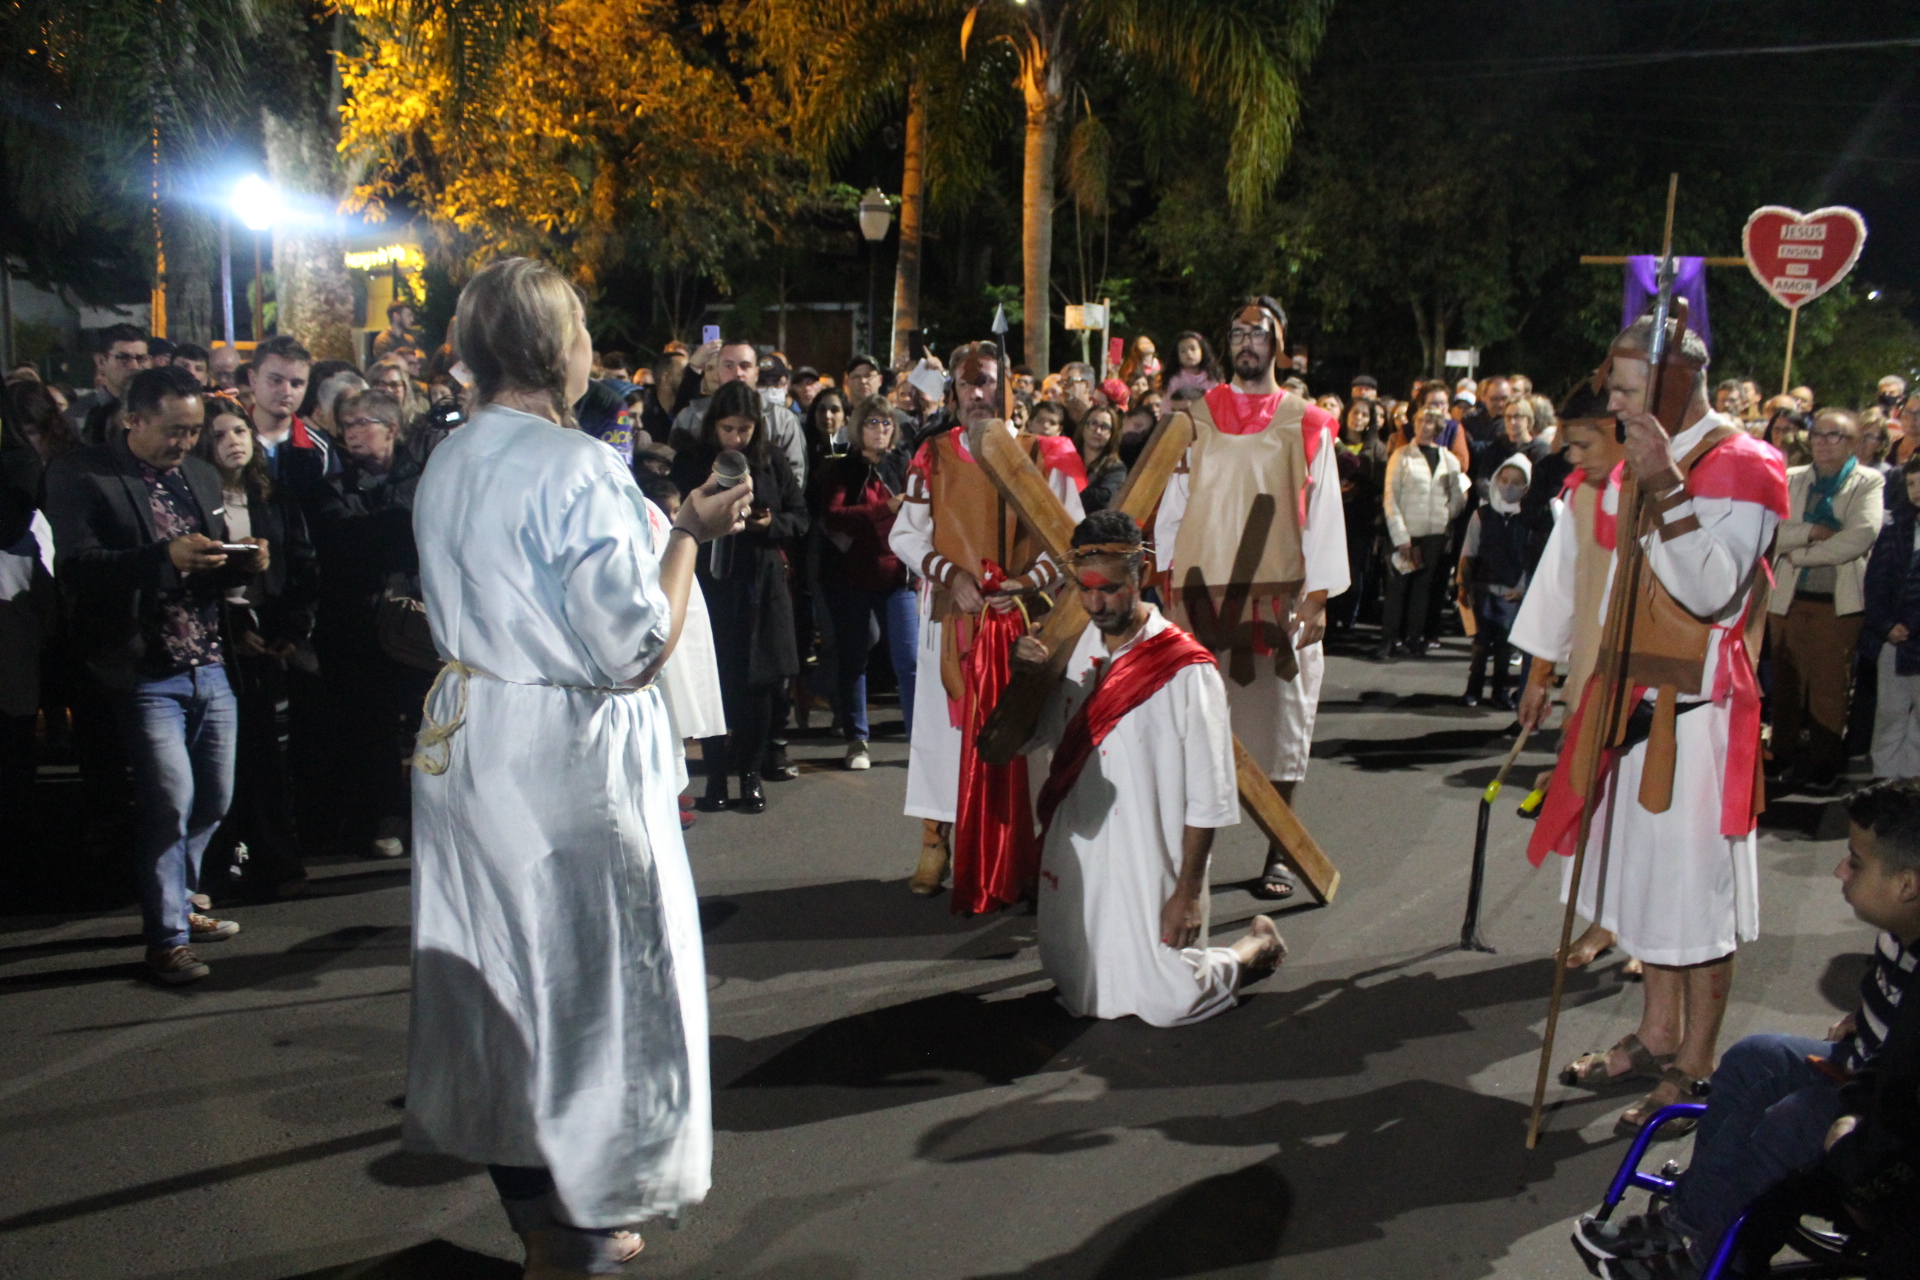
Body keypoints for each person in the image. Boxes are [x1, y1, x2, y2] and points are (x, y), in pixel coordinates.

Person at [406, 258, 753, 1276]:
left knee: (500, 978)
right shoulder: (578, 467)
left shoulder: (451, 456)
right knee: (589, 982)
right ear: (559, 349)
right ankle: (579, 1225)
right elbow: (636, 647)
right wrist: (687, 532)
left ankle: (542, 1219)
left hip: (471, 737)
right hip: (565, 752)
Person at [1516, 314, 1788, 1134]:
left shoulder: (1746, 465)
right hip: (1624, 708)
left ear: (1676, 387)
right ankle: (1658, 1028)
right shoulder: (1630, 457)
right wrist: (1548, 666)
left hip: (1696, 723)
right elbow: (1587, 568)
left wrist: (1665, 479)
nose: (1616, 405)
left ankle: (1696, 1061)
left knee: (1694, 905)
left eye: (1632, 392)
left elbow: (1710, 590)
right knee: (1644, 892)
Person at [1573, 779, 1920, 1280]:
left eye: (1856, 862)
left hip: (1895, 1118)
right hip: (1867, 1071)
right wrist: (1861, 1021)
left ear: (1907, 885)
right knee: (1756, 1056)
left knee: (1792, 1118)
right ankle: (1688, 1222)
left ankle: (1713, 1258)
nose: (1840, 869)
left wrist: (1854, 1121)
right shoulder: (1900, 929)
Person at [1011, 510, 1286, 1026]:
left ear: (1140, 575)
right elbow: (1030, 737)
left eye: (1110, 589)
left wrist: (1186, 893)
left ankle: (1253, 950)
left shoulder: (1186, 670)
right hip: (1084, 852)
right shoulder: (1069, 648)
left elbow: (1211, 792)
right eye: (1084, 589)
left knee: (1169, 1000)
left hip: (1152, 854)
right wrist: (1023, 676)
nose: (1095, 603)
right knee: (1082, 989)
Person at [43, 365, 267, 983]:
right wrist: (162, 558)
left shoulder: (197, 474)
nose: (186, 444)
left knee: (214, 798)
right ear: (132, 420)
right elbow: (80, 566)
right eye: (174, 431)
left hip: (209, 660)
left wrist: (240, 565)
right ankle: (166, 937)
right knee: (170, 801)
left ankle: (181, 898)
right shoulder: (82, 473)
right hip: (145, 668)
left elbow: (209, 567)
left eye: (195, 431)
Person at [1154, 297, 1347, 904]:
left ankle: (1280, 851)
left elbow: (1323, 512)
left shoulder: (1308, 421)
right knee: (1197, 736)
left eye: (1257, 333)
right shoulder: (1197, 417)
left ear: (1278, 344)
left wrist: (1316, 598)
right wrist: (1166, 583)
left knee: (1281, 732)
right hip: (1204, 603)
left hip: (1277, 601)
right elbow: (1173, 506)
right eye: (1236, 333)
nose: (1246, 342)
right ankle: (1193, 863)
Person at [889, 341, 1086, 902]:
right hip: (954, 619)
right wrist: (952, 575)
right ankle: (936, 840)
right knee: (942, 737)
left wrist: (1026, 584)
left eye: (988, 383)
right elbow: (905, 534)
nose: (978, 395)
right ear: (952, 393)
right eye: (967, 385)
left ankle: (1030, 849)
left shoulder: (1045, 455)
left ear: (1009, 390)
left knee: (1027, 737)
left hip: (1024, 622)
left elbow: (1072, 539)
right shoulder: (933, 455)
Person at [192, 398, 316, 899]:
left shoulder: (274, 496)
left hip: (271, 633)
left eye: (240, 431)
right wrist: (232, 624)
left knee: (268, 755)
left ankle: (275, 859)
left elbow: (303, 563)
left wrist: (294, 626)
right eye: (220, 435)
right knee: (221, 761)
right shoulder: (196, 498)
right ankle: (220, 864)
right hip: (220, 633)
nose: (234, 442)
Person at [670, 380, 808, 814]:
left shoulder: (771, 461)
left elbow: (800, 517)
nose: (736, 438)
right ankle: (715, 778)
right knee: (714, 680)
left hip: (761, 585)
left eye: (745, 429)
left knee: (760, 685)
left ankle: (750, 775)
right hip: (711, 584)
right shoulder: (695, 460)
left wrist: (769, 525)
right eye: (728, 428)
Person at [306, 390, 429, 858]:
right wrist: (395, 531)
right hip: (359, 624)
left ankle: (429, 810)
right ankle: (386, 811)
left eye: (363, 423)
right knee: (371, 727)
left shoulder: (425, 480)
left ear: (391, 428)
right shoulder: (334, 486)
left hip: (420, 622)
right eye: (346, 424)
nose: (351, 432)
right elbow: (342, 545)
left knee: (427, 719)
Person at [1767, 408, 1884, 794]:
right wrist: (1815, 530)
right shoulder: (1792, 478)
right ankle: (1781, 754)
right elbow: (1771, 531)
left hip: (1837, 603)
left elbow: (1858, 537)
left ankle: (1822, 761)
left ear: (1851, 443)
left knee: (1829, 685)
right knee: (1786, 681)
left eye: (1833, 435)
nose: (1822, 441)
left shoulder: (1867, 482)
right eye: (1817, 434)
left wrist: (1800, 552)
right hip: (1787, 598)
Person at [818, 395, 916, 770]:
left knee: (908, 660)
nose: (880, 430)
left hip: (898, 575)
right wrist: (884, 509)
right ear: (858, 428)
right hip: (852, 577)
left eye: (886, 423)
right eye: (872, 423)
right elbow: (834, 516)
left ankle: (919, 738)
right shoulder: (843, 469)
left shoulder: (903, 466)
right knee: (854, 658)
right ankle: (857, 739)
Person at [1379, 394, 1467, 660]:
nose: (1424, 426)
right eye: (1420, 421)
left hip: (1433, 535)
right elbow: (1390, 497)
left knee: (1422, 589)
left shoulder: (1448, 459)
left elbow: (1458, 496)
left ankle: (1414, 638)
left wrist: (1444, 516)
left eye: (1429, 422)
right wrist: (1401, 535)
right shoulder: (1401, 455)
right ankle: (1389, 638)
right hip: (1405, 533)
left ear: (1438, 428)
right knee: (1397, 588)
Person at [670, 339, 807, 489]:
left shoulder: (783, 420)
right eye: (729, 366)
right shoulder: (690, 417)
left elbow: (795, 479)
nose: (738, 373)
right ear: (717, 371)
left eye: (745, 366)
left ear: (756, 372)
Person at [1459, 454, 1533, 709]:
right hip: (1483, 590)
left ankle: (1500, 691)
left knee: (1504, 648)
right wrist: (1463, 584)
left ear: (1526, 488)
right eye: (1504, 479)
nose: (1509, 486)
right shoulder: (1482, 515)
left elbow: (1531, 557)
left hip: (1511, 593)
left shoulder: (1529, 520)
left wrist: (1522, 587)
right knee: (1480, 645)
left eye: (1516, 482)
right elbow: (1469, 551)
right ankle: (1473, 689)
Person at [1863, 457, 1920, 780]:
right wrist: (1885, 625)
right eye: (1911, 483)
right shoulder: (1897, 524)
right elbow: (1876, 579)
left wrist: (1911, 625)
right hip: (1892, 638)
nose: (1917, 490)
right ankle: (1885, 782)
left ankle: (1912, 783)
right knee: (1889, 713)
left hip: (1913, 635)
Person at [246, 335, 334, 495]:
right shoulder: (226, 437)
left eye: (296, 384)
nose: (286, 392)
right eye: (275, 380)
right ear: (253, 379)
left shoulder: (319, 448)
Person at [67, 324, 149, 444]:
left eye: (141, 359)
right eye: (123, 358)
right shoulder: (78, 417)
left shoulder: (161, 410)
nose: (134, 366)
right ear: (101, 361)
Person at [1075, 404, 1127, 513]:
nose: (1097, 431)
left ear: (1112, 434)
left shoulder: (1116, 468)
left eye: (1105, 427)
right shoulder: (1067, 457)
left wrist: (1069, 488)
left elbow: (1103, 499)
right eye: (1093, 423)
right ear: (1083, 427)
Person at [1163, 332, 1222, 398]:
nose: (1188, 353)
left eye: (1193, 349)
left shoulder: (1212, 376)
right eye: (1183, 351)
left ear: (1202, 350)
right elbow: (1168, 403)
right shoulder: (1175, 379)